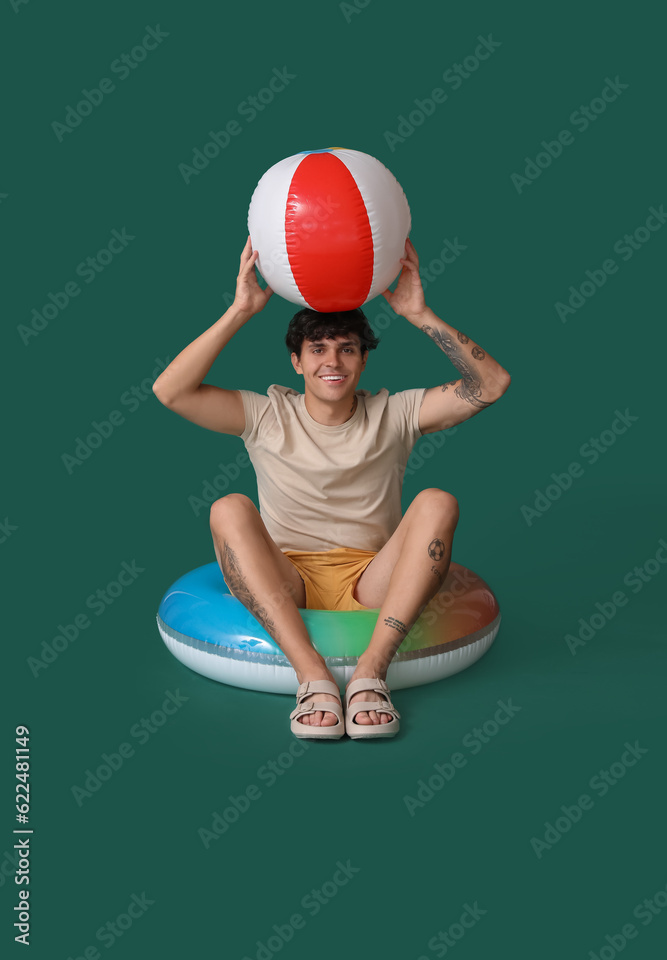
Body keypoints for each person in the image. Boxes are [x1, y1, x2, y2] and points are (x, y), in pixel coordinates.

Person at [152, 235, 511, 739]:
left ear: (364, 360)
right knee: (228, 507)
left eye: (347, 350)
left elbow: (491, 385)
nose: (333, 362)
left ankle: (371, 673)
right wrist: (240, 310)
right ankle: (312, 676)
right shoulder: (265, 413)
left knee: (438, 502)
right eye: (317, 349)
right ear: (296, 362)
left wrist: (420, 313)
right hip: (288, 577)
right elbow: (170, 391)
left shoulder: (396, 411)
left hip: (372, 580)